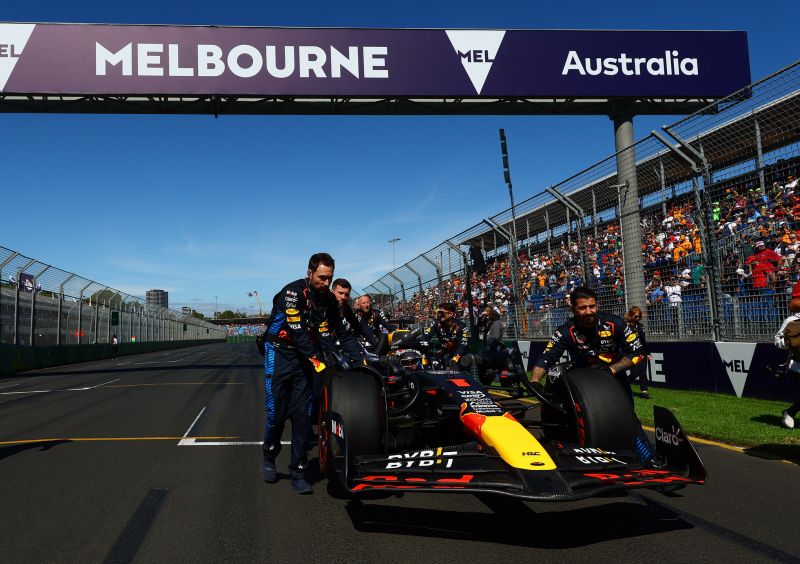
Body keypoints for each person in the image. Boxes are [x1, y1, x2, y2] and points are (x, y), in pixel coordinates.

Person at [261, 253, 362, 494]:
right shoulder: (292, 293)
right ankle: (269, 453)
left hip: (305, 359)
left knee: (302, 416)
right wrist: (319, 360)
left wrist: (360, 360)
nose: (326, 283)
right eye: (322, 278)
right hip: (279, 353)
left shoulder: (328, 300)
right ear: (310, 273)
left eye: (330, 278)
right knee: (276, 413)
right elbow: (298, 333)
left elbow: (343, 333)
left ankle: (297, 470)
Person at [531, 287, 655, 463]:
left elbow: (638, 353)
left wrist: (612, 369)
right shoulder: (566, 331)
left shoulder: (615, 324)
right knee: (584, 422)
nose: (589, 311)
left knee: (626, 419)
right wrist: (535, 380)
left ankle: (649, 460)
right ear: (573, 309)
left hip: (614, 379)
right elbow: (547, 358)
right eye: (583, 308)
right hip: (584, 384)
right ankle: (584, 457)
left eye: (592, 306)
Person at [773, 281, 800, 429]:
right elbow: (777, 341)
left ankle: (790, 412)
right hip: (797, 364)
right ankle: (790, 412)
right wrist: (790, 342)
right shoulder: (792, 321)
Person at [422, 302, 471, 367]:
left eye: (441, 313)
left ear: (450, 314)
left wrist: (455, 359)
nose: (439, 315)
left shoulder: (462, 326)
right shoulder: (436, 323)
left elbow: (462, 347)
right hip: (446, 352)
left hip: (462, 355)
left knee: (457, 363)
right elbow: (425, 337)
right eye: (438, 313)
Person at [624, 306, 650, 399]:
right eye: (635, 316)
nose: (637, 318)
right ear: (631, 315)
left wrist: (648, 353)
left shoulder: (640, 326)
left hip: (642, 352)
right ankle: (624, 384)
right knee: (635, 372)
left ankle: (644, 391)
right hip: (631, 352)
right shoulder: (625, 325)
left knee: (643, 371)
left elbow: (643, 340)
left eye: (639, 316)